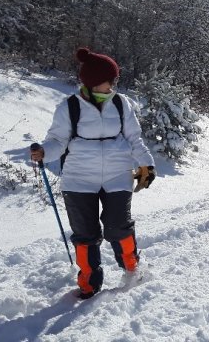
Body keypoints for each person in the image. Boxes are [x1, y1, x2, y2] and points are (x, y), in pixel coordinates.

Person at [30, 47, 155, 299]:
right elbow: (57, 140)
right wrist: (44, 152)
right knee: (85, 233)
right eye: (109, 81)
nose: (112, 85)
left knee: (118, 226)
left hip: (118, 173)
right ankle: (88, 281)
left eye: (113, 81)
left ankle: (133, 269)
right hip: (78, 177)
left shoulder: (122, 104)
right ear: (94, 82)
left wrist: (146, 165)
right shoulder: (70, 107)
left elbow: (134, 139)